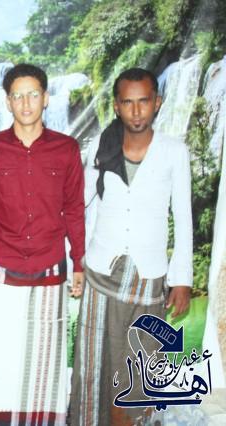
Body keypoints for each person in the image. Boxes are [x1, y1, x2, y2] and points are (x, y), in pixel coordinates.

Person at [69, 68, 192, 426]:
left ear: (157, 102)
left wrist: (182, 279)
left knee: (139, 368)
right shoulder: (102, 146)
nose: (136, 111)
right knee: (95, 363)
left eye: (143, 101)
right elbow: (83, 203)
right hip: (101, 272)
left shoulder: (174, 151)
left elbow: (183, 217)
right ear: (116, 106)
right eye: (127, 102)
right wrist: (75, 260)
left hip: (149, 277)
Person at [0, 63, 85, 425]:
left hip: (49, 268)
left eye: (33, 94)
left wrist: (79, 262)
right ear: (8, 102)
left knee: (44, 362)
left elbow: (74, 209)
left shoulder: (66, 149)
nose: (25, 103)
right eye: (17, 96)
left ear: (45, 98)